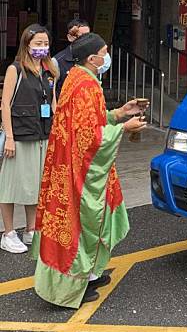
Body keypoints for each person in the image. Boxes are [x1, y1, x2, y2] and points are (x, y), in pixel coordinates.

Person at [32, 33, 147, 308]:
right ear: (92, 58)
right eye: (104, 52)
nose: (107, 56)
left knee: (88, 221)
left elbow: (90, 120)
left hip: (70, 163)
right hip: (79, 170)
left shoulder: (77, 77)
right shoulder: (86, 84)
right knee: (81, 224)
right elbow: (88, 136)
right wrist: (123, 128)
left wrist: (118, 113)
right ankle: (71, 286)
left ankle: (89, 274)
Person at [0, 24, 58, 254]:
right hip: (21, 136)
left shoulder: (50, 69)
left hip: (42, 134)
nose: (42, 48)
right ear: (27, 44)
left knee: (35, 187)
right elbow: (5, 104)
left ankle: (31, 229)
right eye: (38, 44)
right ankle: (8, 233)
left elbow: (53, 102)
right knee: (11, 186)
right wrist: (10, 138)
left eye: (45, 44)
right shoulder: (16, 69)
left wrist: (58, 130)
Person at [53, 18, 90, 97]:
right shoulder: (57, 61)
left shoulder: (92, 59)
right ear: (70, 37)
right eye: (81, 37)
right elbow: (52, 92)